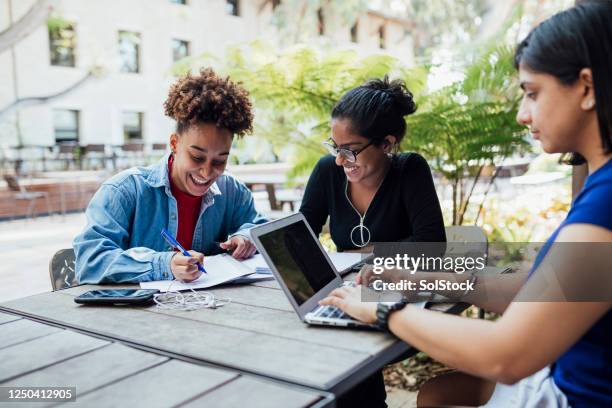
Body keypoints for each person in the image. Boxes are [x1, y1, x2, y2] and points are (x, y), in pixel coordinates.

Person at [320, 1, 612, 407]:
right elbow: (540, 287)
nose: (522, 115)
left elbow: (506, 355)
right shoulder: (601, 188)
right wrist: (422, 281)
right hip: (564, 373)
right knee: (436, 395)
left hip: (576, 394)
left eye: (531, 93)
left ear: (586, 87)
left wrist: (386, 312)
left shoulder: (606, 206)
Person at [74, 68, 266, 284]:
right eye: (196, 157)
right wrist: (164, 264)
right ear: (174, 144)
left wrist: (246, 238)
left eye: (220, 161)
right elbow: (90, 261)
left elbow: (261, 227)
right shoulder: (124, 191)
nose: (206, 172)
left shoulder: (232, 191)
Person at [299, 76, 446, 251]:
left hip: (397, 277)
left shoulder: (410, 169)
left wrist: (368, 252)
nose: (339, 160)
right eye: (336, 148)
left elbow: (432, 246)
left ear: (386, 144)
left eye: (350, 150)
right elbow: (301, 236)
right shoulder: (327, 170)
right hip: (348, 279)